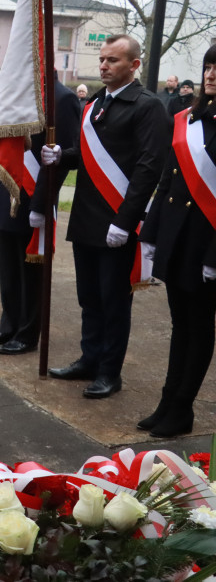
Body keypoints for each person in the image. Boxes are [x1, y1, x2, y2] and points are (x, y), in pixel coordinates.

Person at [42, 34, 168, 399]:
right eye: (102, 59)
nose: (103, 66)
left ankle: (110, 372)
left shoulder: (147, 106)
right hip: (86, 217)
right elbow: (87, 154)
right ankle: (89, 359)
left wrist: (125, 221)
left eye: (113, 60)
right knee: (89, 297)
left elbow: (148, 168)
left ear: (134, 65)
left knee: (114, 301)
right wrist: (61, 155)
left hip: (117, 222)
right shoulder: (96, 102)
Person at [137, 45, 216, 437]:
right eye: (208, 66)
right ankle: (168, 401)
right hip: (177, 236)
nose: (211, 73)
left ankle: (183, 407)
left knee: (199, 326)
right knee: (180, 323)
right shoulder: (188, 117)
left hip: (207, 242)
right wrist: (151, 232)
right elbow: (168, 178)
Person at [0, 75, 80, 354]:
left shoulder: (62, 98)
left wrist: (41, 204)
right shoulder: (19, 94)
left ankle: (27, 332)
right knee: (10, 268)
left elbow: (61, 158)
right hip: (9, 189)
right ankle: (9, 325)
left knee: (31, 273)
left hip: (34, 194)